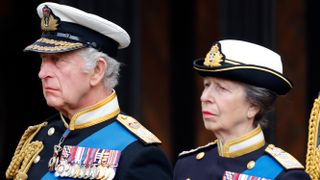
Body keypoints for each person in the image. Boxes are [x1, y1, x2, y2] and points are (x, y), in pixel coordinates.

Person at [5, 2, 172, 180]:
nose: (42, 73)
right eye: (43, 59)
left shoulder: (135, 154)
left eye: (57, 60)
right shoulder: (40, 139)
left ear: (97, 70)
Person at [173, 39, 311, 179]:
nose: (205, 97)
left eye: (221, 88)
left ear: (254, 106)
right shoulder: (187, 166)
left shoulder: (283, 176)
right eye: (207, 85)